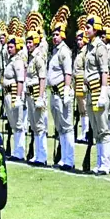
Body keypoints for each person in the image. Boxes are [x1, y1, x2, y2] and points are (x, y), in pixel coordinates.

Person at [82, 0, 110, 174]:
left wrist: (103, 92)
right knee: (95, 128)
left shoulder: (100, 47)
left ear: (96, 29)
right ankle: (100, 162)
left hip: (97, 92)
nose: (85, 30)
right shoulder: (89, 47)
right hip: (89, 92)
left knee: (103, 128)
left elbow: (104, 71)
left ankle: (106, 164)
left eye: (88, 27)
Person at [48, 18, 75, 170]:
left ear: (63, 36)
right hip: (54, 93)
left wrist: (66, 89)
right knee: (60, 127)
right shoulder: (55, 51)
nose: (54, 37)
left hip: (61, 92)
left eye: (57, 34)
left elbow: (68, 72)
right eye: (53, 35)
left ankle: (69, 159)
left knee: (67, 126)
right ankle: (63, 157)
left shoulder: (64, 51)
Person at [25, 25, 48, 166]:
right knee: (34, 125)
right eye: (27, 42)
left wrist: (40, 96)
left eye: (30, 42)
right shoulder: (30, 57)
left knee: (40, 126)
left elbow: (42, 78)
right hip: (29, 94)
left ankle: (42, 155)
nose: (28, 45)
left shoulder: (38, 57)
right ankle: (37, 154)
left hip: (36, 95)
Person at [3, 31, 27, 162]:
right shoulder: (9, 60)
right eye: (8, 46)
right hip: (7, 93)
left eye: (11, 46)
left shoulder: (18, 61)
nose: (9, 48)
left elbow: (20, 80)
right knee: (13, 123)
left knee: (18, 123)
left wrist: (18, 96)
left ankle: (19, 151)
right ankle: (16, 150)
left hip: (13, 93)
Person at [74, 29, 90, 143]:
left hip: (82, 83)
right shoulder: (79, 51)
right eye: (77, 40)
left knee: (85, 109)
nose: (79, 42)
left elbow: (86, 69)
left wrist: (85, 83)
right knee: (81, 110)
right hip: (77, 83)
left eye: (80, 39)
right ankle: (84, 132)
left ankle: (86, 132)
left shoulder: (85, 52)